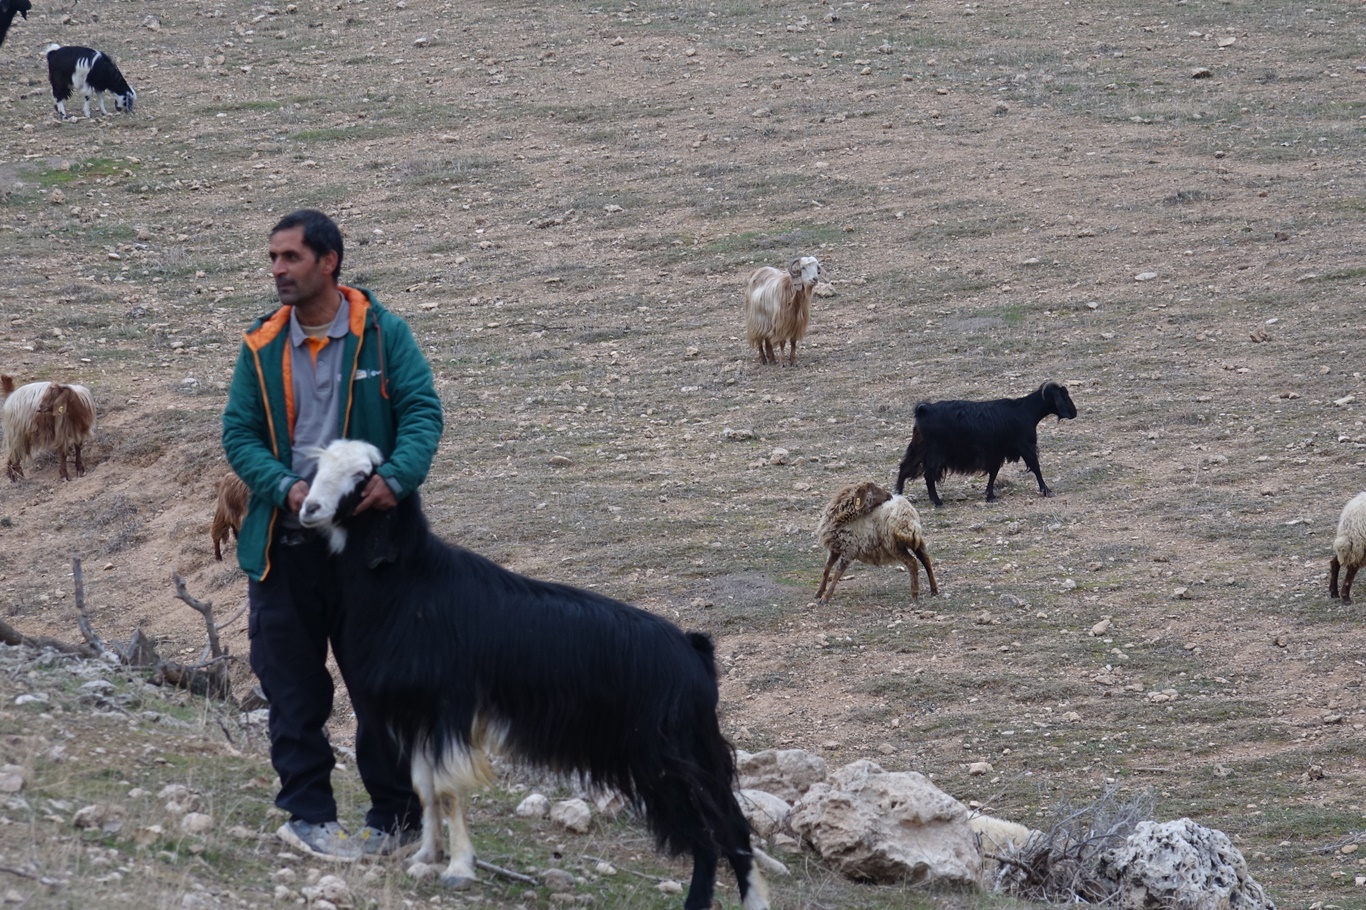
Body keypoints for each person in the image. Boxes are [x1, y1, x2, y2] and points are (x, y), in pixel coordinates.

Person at [222, 209, 444, 860]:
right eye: (273, 257)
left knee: (382, 684)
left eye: (290, 257)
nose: (278, 270)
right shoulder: (261, 344)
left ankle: (397, 820)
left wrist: (396, 477)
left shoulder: (383, 334)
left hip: (372, 549)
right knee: (293, 689)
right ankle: (308, 816)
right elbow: (239, 433)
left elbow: (422, 411)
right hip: (285, 547)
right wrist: (282, 486)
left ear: (329, 261)